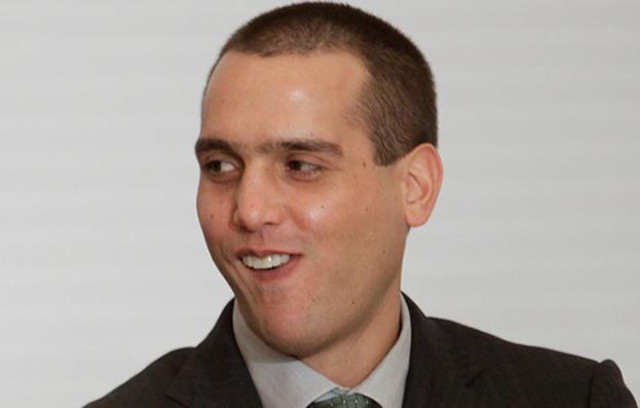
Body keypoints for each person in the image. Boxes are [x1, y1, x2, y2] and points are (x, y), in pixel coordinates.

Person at [85, 3, 636, 407]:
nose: (249, 211)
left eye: (301, 165)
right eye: (221, 166)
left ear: (416, 186)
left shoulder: (575, 400)